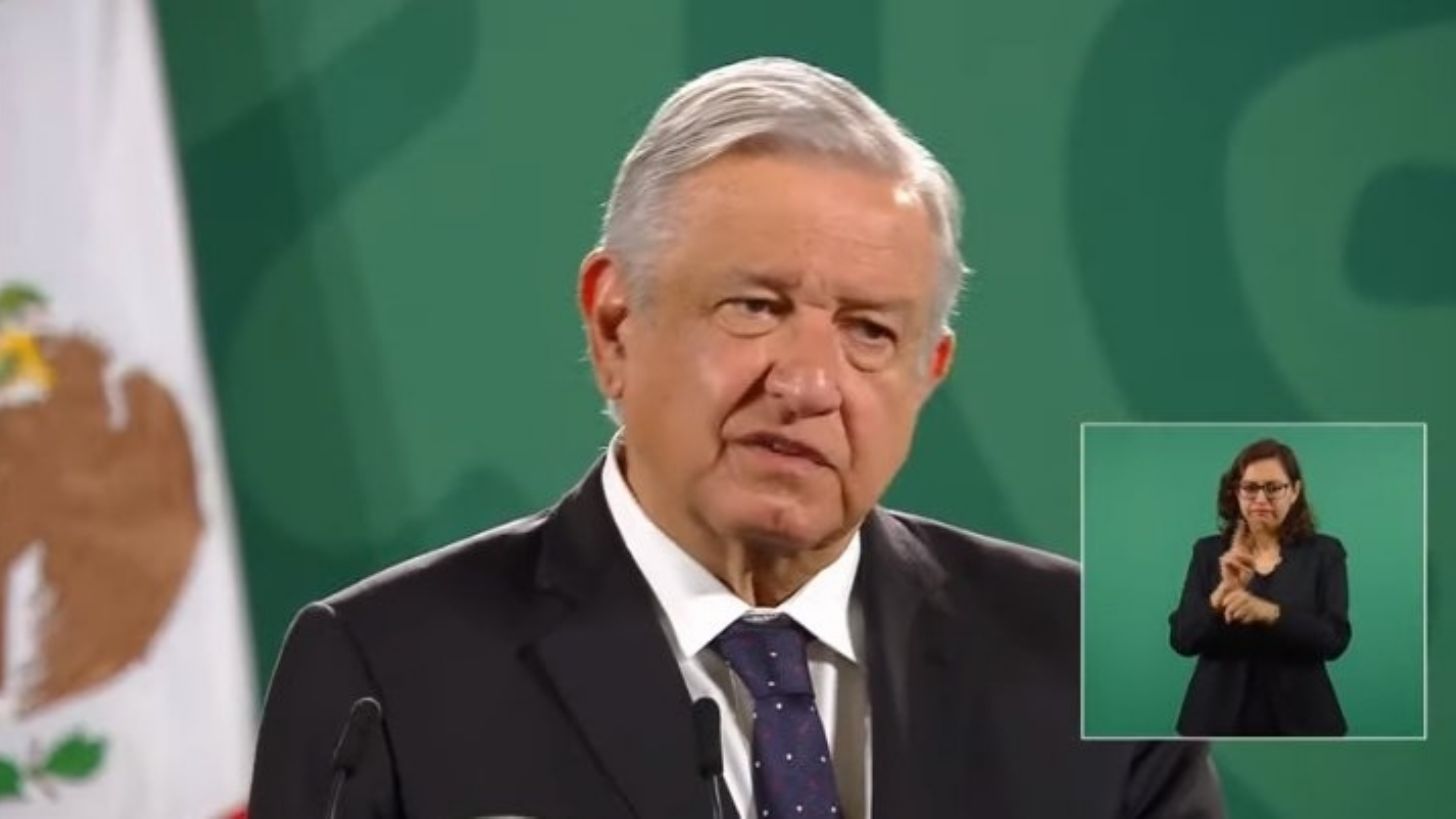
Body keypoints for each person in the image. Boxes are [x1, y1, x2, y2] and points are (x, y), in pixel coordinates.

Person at [250, 57, 1224, 818]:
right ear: (614, 324)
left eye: (869, 331)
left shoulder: (1089, 661)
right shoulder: (386, 673)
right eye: (754, 307)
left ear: (928, 373)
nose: (808, 384)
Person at [1170, 438, 1351, 736]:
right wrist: (1220, 595)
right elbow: (1182, 640)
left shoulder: (1325, 553)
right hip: (1216, 721)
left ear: (1294, 491)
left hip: (1304, 722)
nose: (1260, 498)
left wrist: (1270, 613)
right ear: (1236, 492)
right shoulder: (1208, 552)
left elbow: (1334, 639)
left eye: (1273, 488)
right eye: (1250, 487)